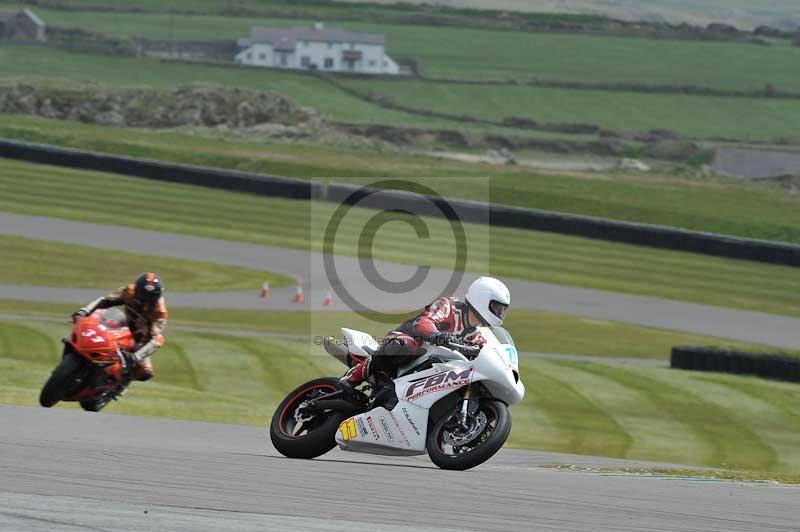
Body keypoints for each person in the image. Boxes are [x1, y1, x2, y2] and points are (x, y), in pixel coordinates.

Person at [340, 276, 510, 393]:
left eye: (501, 310)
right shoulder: (450, 306)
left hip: (429, 366)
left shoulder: (476, 335)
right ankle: (353, 376)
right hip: (408, 339)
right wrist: (437, 335)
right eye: (496, 308)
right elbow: (423, 323)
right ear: (482, 298)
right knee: (405, 347)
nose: (499, 313)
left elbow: (486, 353)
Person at [72, 272, 168, 382]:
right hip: (122, 324)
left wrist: (136, 356)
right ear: (137, 290)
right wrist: (84, 311)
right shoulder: (129, 291)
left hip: (140, 340)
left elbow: (155, 339)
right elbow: (106, 300)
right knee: (91, 327)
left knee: (145, 372)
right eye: (142, 294)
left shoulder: (160, 313)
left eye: (151, 297)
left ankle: (120, 384)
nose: (145, 300)